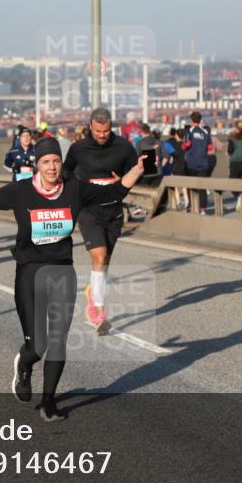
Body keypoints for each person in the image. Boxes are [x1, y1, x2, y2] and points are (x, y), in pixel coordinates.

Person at [0, 137, 145, 421]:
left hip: (62, 270)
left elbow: (113, 192)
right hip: (29, 271)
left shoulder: (75, 188)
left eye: (56, 161)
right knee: (37, 346)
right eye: (45, 162)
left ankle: (48, 402)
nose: (52, 167)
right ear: (37, 165)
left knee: (57, 341)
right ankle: (24, 363)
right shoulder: (21, 191)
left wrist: (137, 170)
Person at [62, 108, 139, 335]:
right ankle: (98, 311)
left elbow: (138, 171)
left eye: (106, 131)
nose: (102, 135)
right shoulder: (78, 149)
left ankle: (93, 294)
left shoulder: (124, 146)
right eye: (98, 131)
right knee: (100, 256)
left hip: (113, 212)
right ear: (90, 126)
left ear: (111, 127)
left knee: (104, 263)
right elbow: (65, 173)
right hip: (89, 211)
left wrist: (124, 179)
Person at [181, 111, 213, 214]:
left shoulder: (189, 131)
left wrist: (183, 147)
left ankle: (192, 206)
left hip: (191, 163)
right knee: (202, 187)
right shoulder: (205, 132)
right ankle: (202, 209)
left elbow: (186, 144)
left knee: (191, 186)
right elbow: (210, 147)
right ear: (200, 120)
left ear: (191, 120)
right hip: (203, 163)